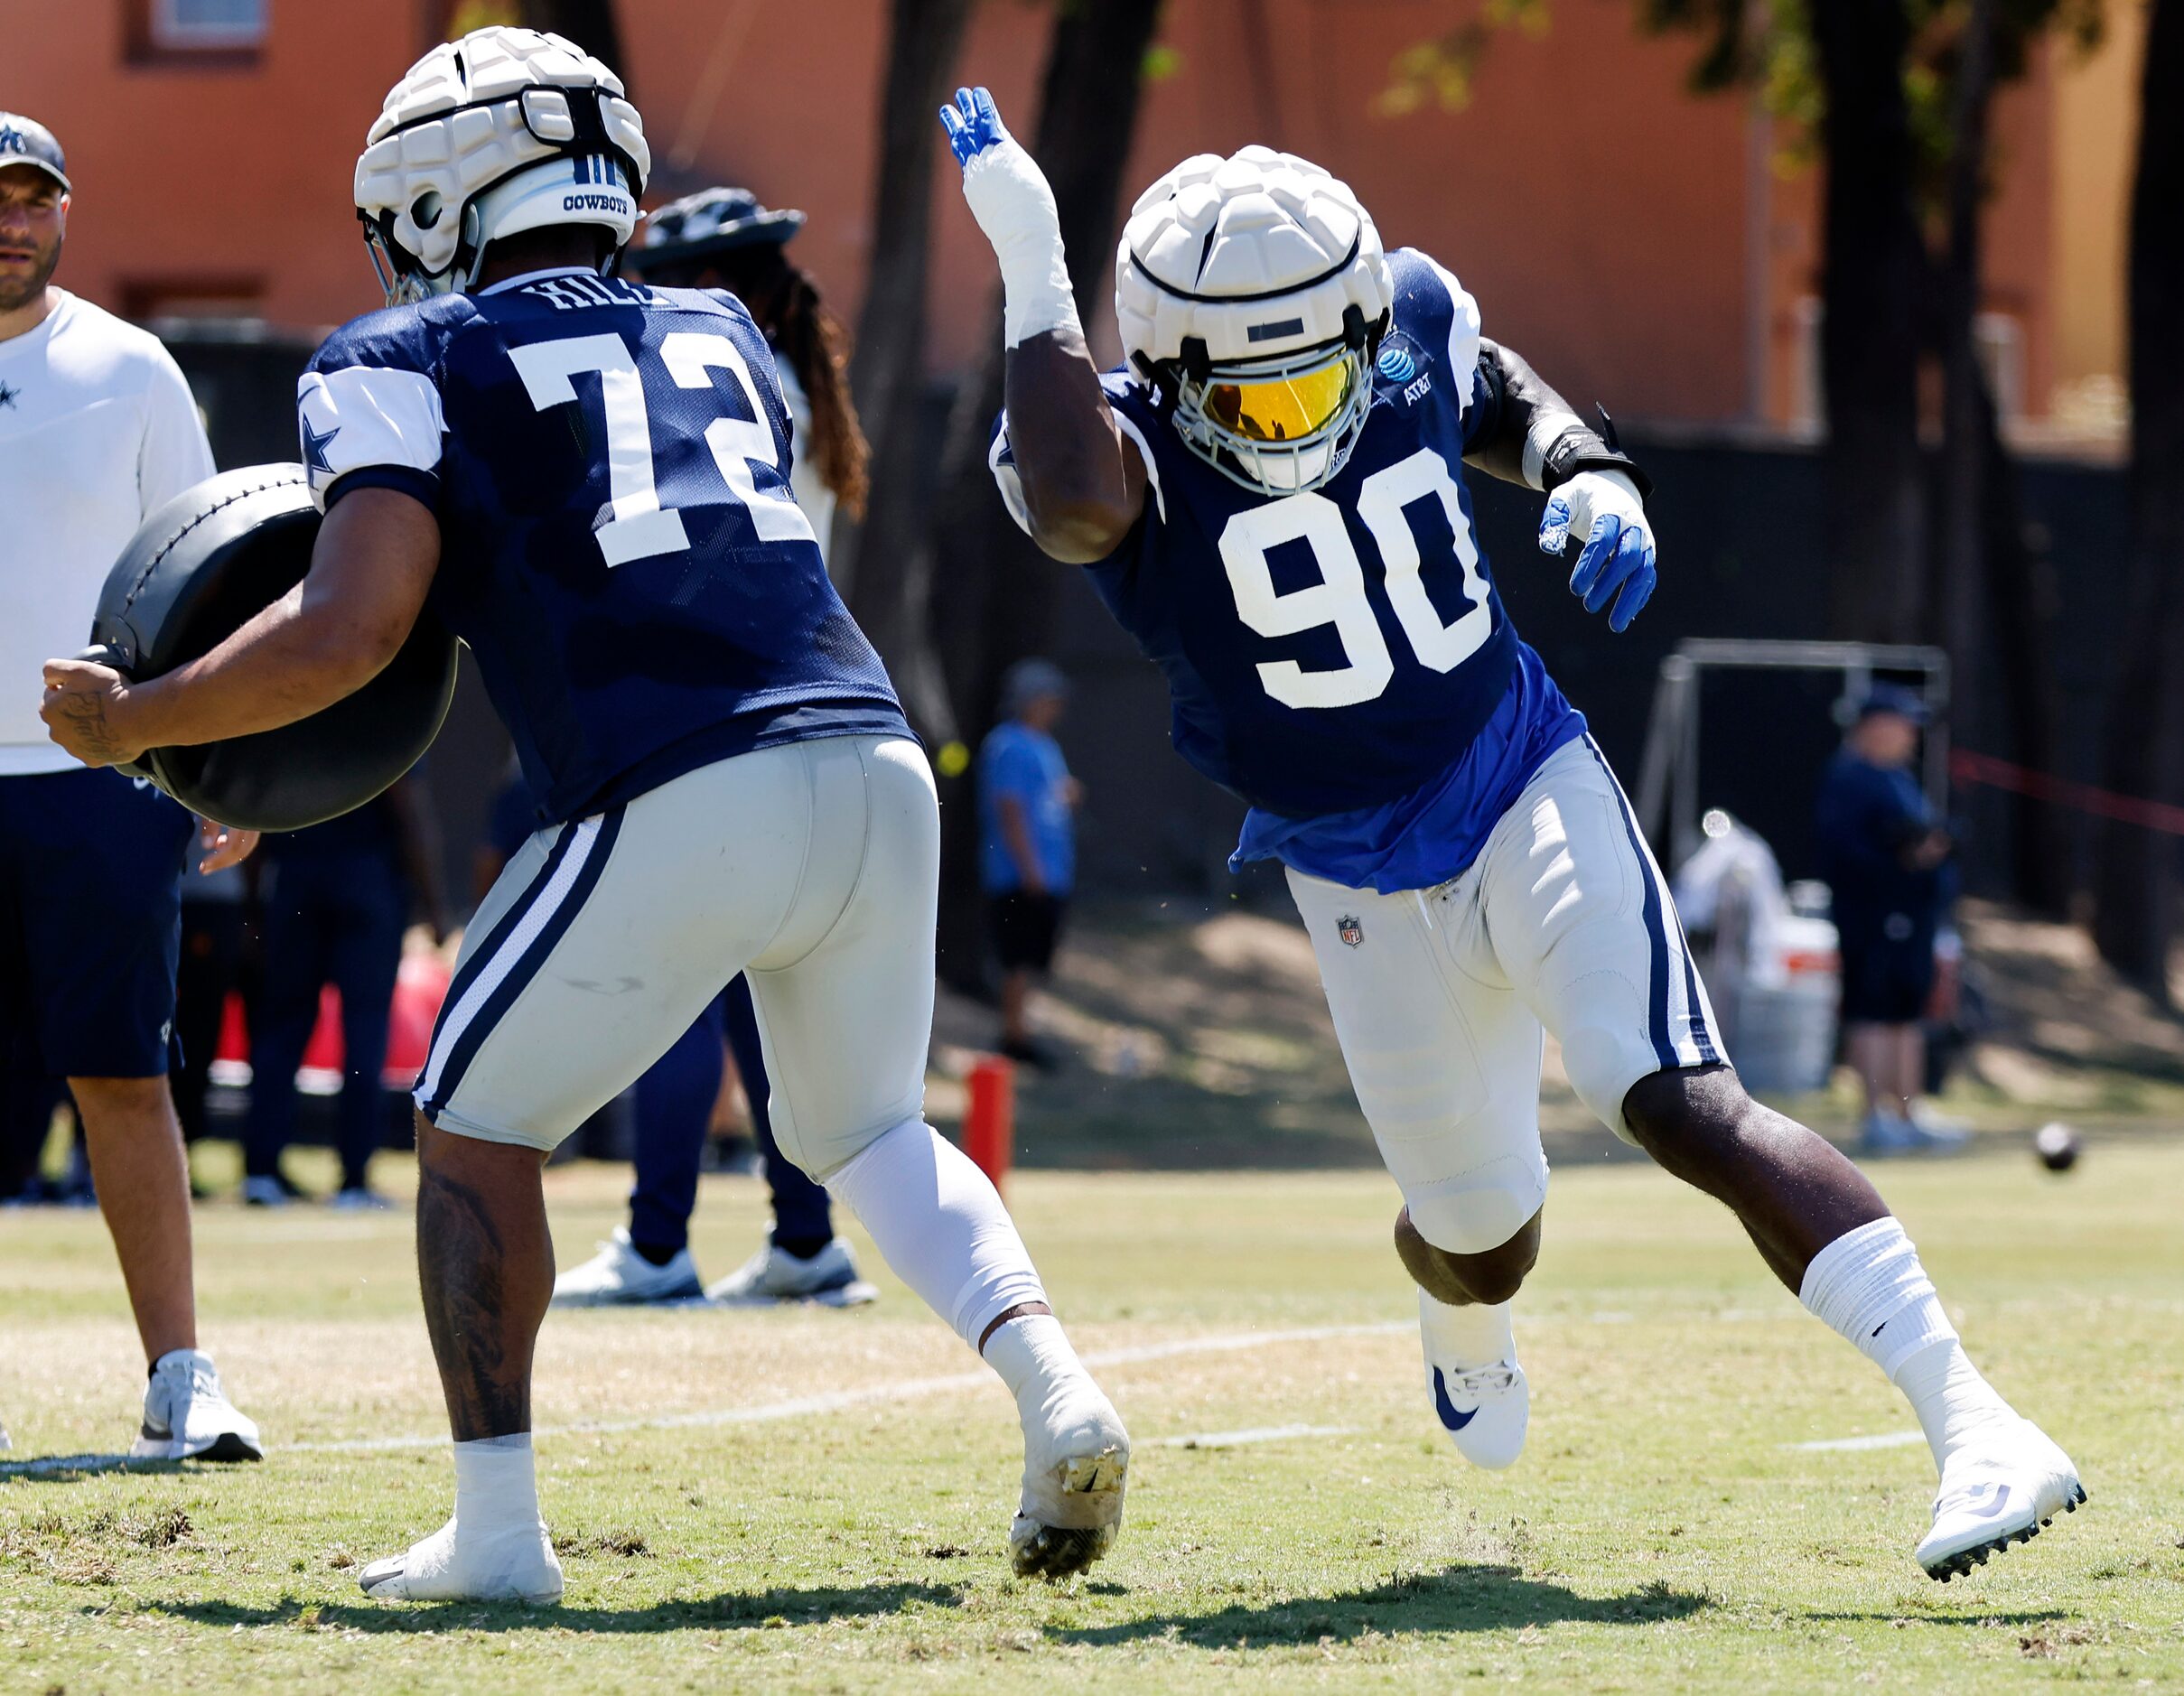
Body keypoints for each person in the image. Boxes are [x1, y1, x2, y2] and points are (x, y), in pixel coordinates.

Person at [42, 31, 1126, 1599]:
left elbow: (355, 631)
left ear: (442, 189)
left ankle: (495, 1536)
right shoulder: (722, 331)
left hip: (676, 776)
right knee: (873, 1126)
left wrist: (142, 723)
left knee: (473, 1124)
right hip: (872, 757)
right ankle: (1057, 1388)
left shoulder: (389, 357)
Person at [942, 87, 2078, 1581]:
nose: (1295, 424)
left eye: (1317, 382)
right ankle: (1459, 1309)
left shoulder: (1403, 311)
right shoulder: (1104, 445)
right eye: (1256, 401)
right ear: (1158, 367)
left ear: (1360, 316)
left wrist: (1582, 463)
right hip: (1350, 864)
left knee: (1668, 1092)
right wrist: (1030, 258)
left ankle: (1974, 1419)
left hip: (1516, 769)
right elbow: (1080, 506)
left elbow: (1483, 389)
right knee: (1478, 1234)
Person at [548, 188, 877, 1307]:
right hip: (810, 721)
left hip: (715, 719)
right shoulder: (797, 394)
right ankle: (803, 1239)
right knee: (760, 1004)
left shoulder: (706, 389)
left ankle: (655, 1243)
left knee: (679, 990)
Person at [1, 111, 262, 1459]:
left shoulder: (131, 366)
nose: (12, 221)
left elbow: (205, 581)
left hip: (100, 782)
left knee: (121, 1075)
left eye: (33, 197)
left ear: (64, 213)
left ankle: (181, 1374)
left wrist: (225, 761)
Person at [243, 776, 446, 1207]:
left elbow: (256, 801)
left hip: (295, 879)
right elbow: (408, 806)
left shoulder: (278, 710)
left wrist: (253, 904)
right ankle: (353, 1178)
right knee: (365, 1032)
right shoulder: (384, 708)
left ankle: (260, 1172)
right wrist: (433, 904)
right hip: (366, 877)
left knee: (281, 1029)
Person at [1815, 686, 1963, 1156]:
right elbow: (1848, 854)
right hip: (1872, 916)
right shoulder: (1851, 778)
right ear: (1874, 725)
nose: (1911, 734)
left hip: (1910, 917)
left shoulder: (1898, 777)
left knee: (1904, 1013)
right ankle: (1876, 1115)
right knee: (1873, 1013)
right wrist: (1905, 859)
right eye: (1902, 723)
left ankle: (1907, 1111)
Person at [977, 657, 1079, 1064]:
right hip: (1021, 875)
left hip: (1050, 872)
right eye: (1048, 700)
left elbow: (1044, 797)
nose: (1055, 708)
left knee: (1036, 957)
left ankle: (1024, 1030)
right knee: (1017, 957)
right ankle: (1014, 1036)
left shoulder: (1044, 744)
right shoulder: (1009, 743)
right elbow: (1011, 809)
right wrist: (1030, 867)